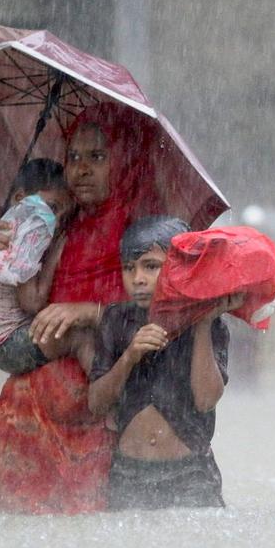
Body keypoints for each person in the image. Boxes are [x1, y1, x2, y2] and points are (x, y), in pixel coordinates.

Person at [0, 102, 167, 514]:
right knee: (25, 536)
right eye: (73, 157)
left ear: (123, 162)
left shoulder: (140, 228)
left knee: (93, 532)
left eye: (98, 157)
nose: (82, 169)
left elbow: (162, 310)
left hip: (102, 407)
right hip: (29, 408)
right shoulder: (49, 224)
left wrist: (91, 311)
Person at [87, 216, 243, 510]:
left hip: (190, 476)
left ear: (178, 268)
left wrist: (203, 324)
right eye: (128, 268)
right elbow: (96, 403)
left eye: (151, 266)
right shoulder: (116, 320)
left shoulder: (210, 323)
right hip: (128, 474)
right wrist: (130, 356)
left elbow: (206, 399)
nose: (138, 279)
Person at [0, 159, 93, 374]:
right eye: (53, 208)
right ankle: (104, 394)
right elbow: (32, 302)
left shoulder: (8, 226)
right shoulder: (25, 237)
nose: (56, 221)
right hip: (9, 342)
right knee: (83, 338)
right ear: (20, 198)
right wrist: (56, 254)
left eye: (65, 216)